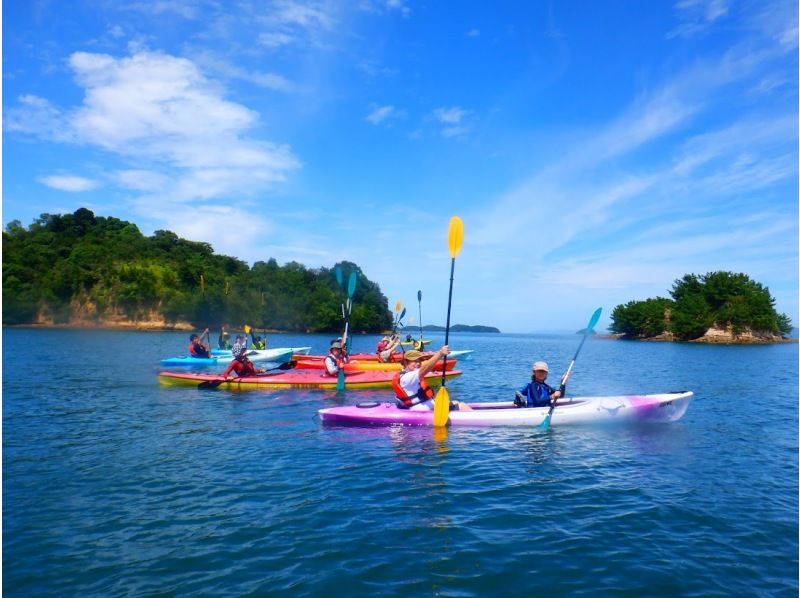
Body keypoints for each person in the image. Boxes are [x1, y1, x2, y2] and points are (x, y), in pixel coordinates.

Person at [392, 347, 471, 411]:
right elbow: (424, 369)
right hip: (423, 411)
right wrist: (439, 354)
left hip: (429, 407)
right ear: (405, 362)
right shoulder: (406, 377)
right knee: (462, 406)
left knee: (456, 402)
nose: (418, 363)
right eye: (415, 361)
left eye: (419, 361)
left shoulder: (410, 375)